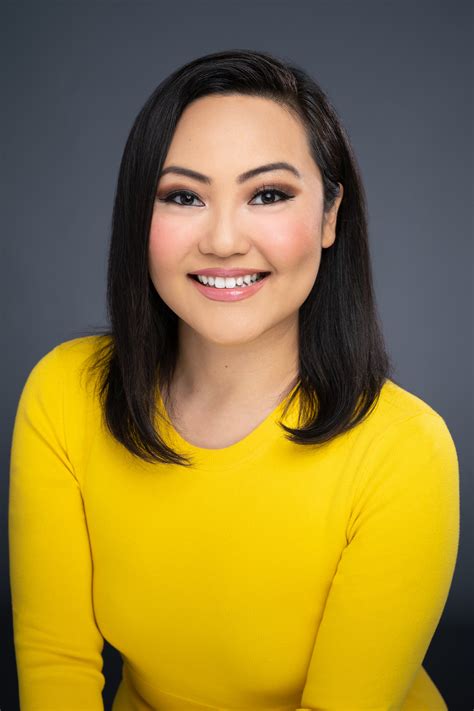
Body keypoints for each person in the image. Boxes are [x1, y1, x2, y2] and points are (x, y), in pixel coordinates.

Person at [8, 49, 460, 711]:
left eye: (268, 195)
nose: (223, 240)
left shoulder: (406, 450)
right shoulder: (65, 392)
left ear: (330, 216)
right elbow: (57, 661)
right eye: (183, 196)